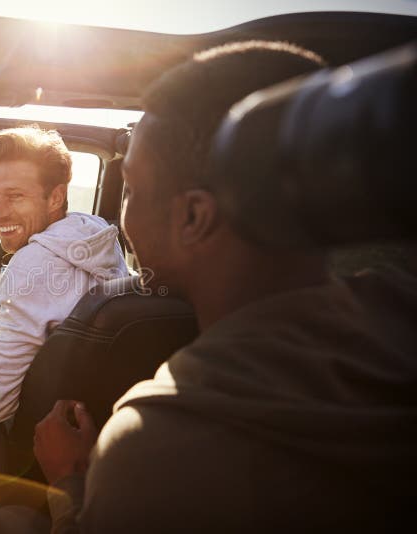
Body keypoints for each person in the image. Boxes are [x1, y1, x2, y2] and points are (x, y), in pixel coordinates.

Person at [31, 40, 417, 532]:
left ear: (192, 216)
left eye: (129, 188)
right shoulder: (399, 312)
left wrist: (70, 481)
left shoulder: (152, 445)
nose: (122, 212)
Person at [0, 126, 129, 423]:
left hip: (38, 438)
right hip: (102, 419)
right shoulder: (98, 237)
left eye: (15, 196)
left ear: (56, 197)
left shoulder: (28, 266)